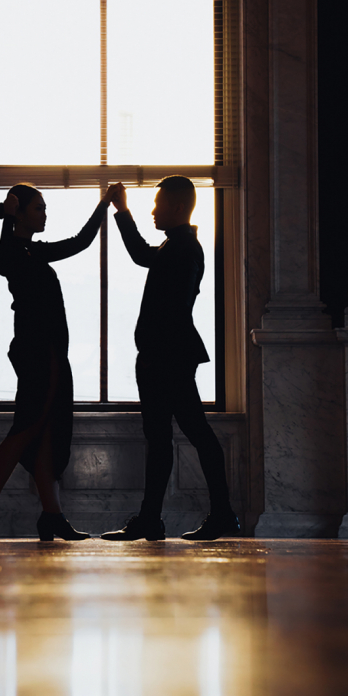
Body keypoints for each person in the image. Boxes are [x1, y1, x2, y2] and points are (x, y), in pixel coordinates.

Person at [0, 183, 115, 542]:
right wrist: (9, 215)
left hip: (47, 351)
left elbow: (80, 242)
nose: (44, 214)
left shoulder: (33, 251)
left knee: (44, 431)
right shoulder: (15, 251)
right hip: (38, 352)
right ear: (21, 213)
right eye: (39, 209)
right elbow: (4, 252)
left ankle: (51, 516)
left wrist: (103, 206)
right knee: (28, 427)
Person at [101, 176, 240, 542]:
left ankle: (204, 516)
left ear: (177, 207)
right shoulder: (177, 246)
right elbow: (143, 256)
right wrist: (123, 212)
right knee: (174, 436)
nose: (153, 210)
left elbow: (171, 310)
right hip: (168, 356)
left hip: (167, 358)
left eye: (158, 204)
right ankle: (165, 518)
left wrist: (153, 356)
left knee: (182, 436)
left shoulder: (182, 249)